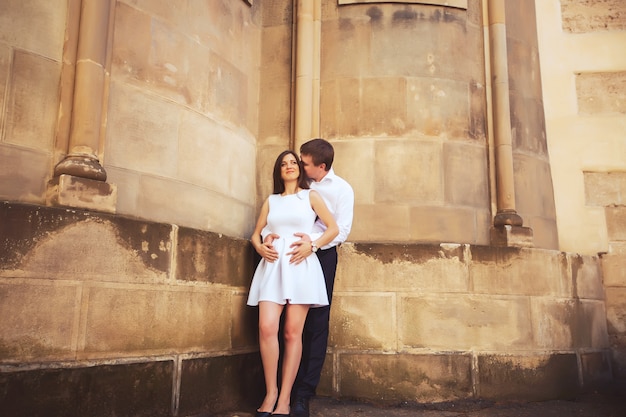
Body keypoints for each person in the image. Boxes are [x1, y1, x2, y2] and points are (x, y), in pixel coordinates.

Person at [264, 139, 355, 417]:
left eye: (303, 163)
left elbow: (342, 230)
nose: (298, 166)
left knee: (315, 323)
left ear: (321, 166)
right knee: (281, 324)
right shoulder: (295, 187)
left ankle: (302, 394)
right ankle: (277, 390)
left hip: (321, 255)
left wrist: (312, 244)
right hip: (286, 254)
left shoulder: (341, 189)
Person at [247, 150, 339, 417]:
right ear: (279, 171)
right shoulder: (272, 201)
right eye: (283, 164)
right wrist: (261, 247)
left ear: (300, 168)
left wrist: (313, 245)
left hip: (300, 267)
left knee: (291, 333)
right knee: (266, 328)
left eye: (293, 162)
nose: (289, 166)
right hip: (273, 267)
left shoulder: (310, 196)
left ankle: (285, 398)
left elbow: (332, 228)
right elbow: (255, 234)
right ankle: (271, 392)